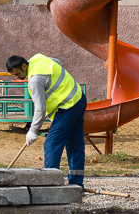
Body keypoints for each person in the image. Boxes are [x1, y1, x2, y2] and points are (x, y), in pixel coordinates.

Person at [7, 54, 86, 190]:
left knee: (52, 144)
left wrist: (32, 131)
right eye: (13, 75)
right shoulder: (38, 59)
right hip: (79, 97)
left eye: (17, 73)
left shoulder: (35, 81)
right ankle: (76, 185)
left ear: (24, 66)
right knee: (75, 143)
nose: (16, 77)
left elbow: (40, 109)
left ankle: (50, 186)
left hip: (68, 106)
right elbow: (57, 61)